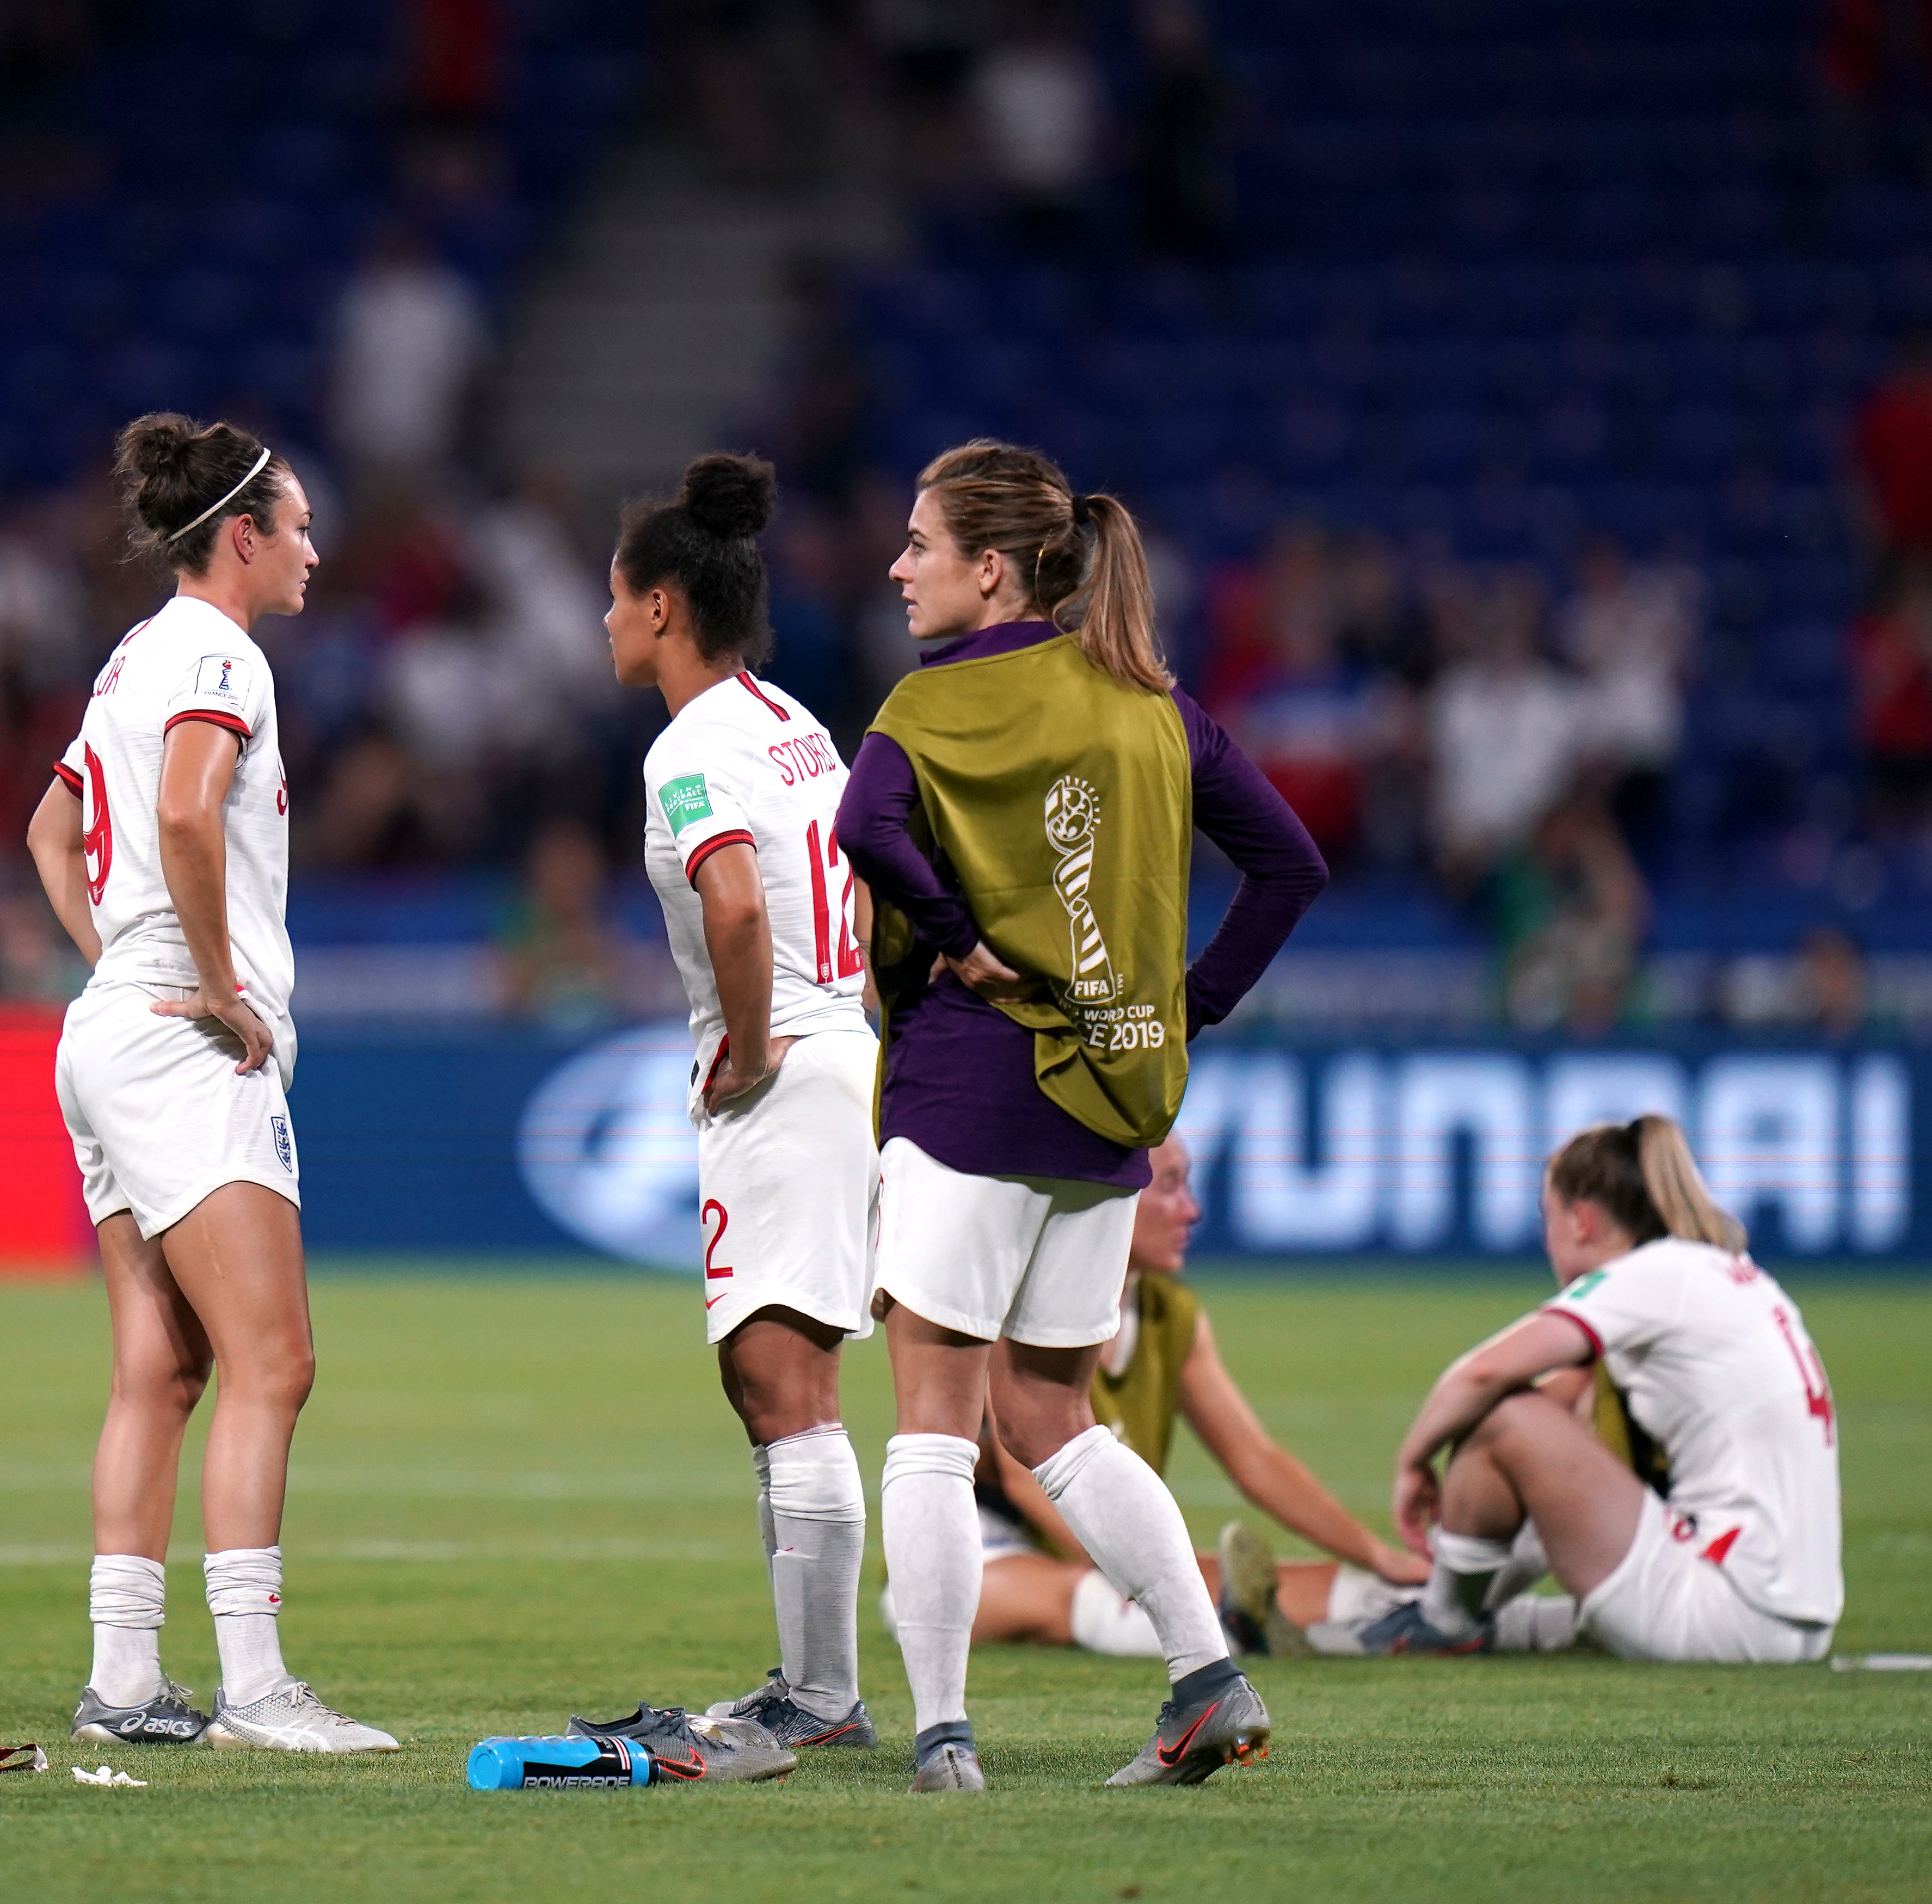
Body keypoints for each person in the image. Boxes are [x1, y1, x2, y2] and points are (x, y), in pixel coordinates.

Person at [834, 439, 1326, 1794]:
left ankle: (941, 1732)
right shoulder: (1153, 704)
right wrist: (1190, 1005)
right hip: (1107, 1109)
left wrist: (954, 936)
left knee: (935, 1421)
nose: (897, 566)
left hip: (971, 1086)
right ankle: (1204, 1676)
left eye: (919, 544)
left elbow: (859, 824)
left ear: (987, 568)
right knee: (1051, 1415)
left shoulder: (934, 702)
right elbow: (1290, 863)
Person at [23, 413, 395, 1754]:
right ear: (240, 535)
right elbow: (186, 809)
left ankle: (124, 1677)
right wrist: (215, 977)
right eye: (295, 526)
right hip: (181, 1034)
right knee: (272, 1358)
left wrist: (119, 958)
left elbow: (49, 826)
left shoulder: (131, 656)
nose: (310, 547)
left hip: (111, 1022)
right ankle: (253, 1686)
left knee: (158, 1369)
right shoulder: (216, 652)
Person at [597, 454, 883, 1751]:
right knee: (778, 1377)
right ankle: (812, 1680)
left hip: (789, 1071)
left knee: (782, 1381)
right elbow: (868, 876)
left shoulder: (689, 746)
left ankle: (821, 1695)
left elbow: (729, 901)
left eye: (612, 597)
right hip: (845, 1049)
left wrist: (758, 1043)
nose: (602, 620)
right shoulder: (795, 720)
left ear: (662, 606)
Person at [949, 1137, 1541, 1657]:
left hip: (1104, 1553)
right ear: (1117, 1193)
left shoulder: (1168, 1313)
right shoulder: (1027, 1295)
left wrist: (1377, 1556)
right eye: (1172, 1187)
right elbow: (1028, 1480)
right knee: (1106, 1598)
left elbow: (1254, 1459)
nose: (1192, 1210)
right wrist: (1150, 1577)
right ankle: (1237, 1631)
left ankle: (1530, 1624)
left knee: (1320, 1585)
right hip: (990, 1554)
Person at [1379, 1117, 1841, 1663]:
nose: (1544, 1236)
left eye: (1545, 1217)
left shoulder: (1650, 1276)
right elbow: (1558, 1445)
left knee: (1505, 1416)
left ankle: (1444, 1620)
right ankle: (1450, 1606)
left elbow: (1481, 1375)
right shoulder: (1722, 1274)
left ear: (1580, 1221)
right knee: (1555, 1415)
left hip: (1724, 1607)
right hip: (1795, 1617)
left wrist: (1413, 1462)